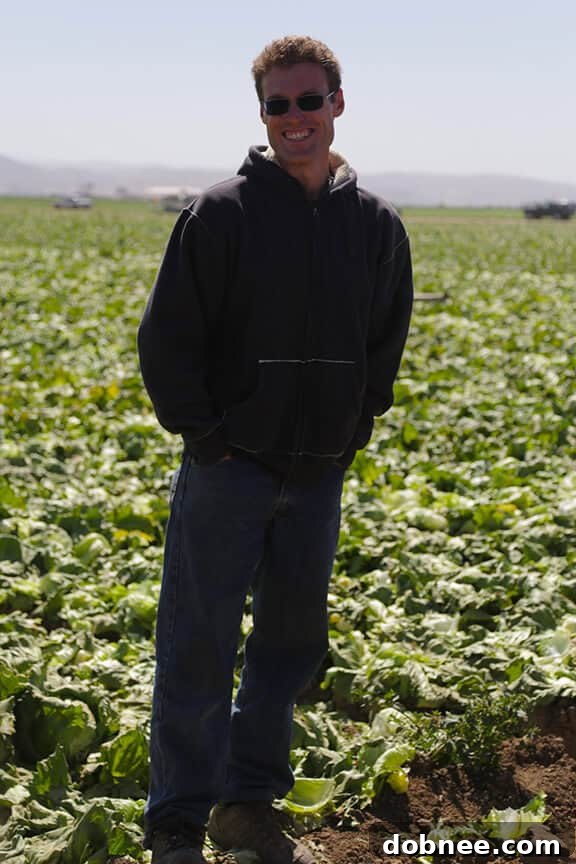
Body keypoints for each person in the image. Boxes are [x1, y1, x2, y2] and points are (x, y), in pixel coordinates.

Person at [138, 34, 413, 864]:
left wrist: (351, 429)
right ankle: (177, 821)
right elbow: (169, 339)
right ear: (262, 114)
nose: (296, 118)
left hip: (317, 473)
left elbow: (384, 341)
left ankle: (246, 805)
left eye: (309, 100)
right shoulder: (222, 213)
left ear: (337, 102)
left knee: (288, 648)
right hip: (230, 469)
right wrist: (208, 440)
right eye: (278, 105)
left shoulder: (374, 226)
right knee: (199, 639)